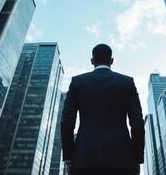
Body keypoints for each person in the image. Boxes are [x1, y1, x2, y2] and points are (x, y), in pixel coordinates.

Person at [61, 44, 145, 175]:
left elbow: (67, 122)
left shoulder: (77, 82)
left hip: (84, 159)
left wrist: (69, 159)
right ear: (112, 61)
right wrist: (137, 159)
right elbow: (137, 123)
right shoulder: (127, 83)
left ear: (92, 61)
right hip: (122, 160)